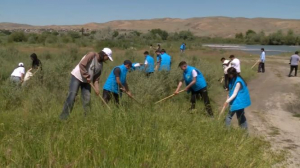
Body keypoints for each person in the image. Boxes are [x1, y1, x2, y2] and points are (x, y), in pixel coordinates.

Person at [59, 48, 113, 120]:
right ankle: (63, 118)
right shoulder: (92, 55)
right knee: (72, 96)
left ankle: (87, 119)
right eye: (107, 58)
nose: (107, 60)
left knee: (87, 99)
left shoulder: (100, 65)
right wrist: (87, 76)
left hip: (87, 82)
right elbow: (82, 65)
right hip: (77, 77)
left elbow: (96, 79)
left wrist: (97, 89)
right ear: (104, 54)